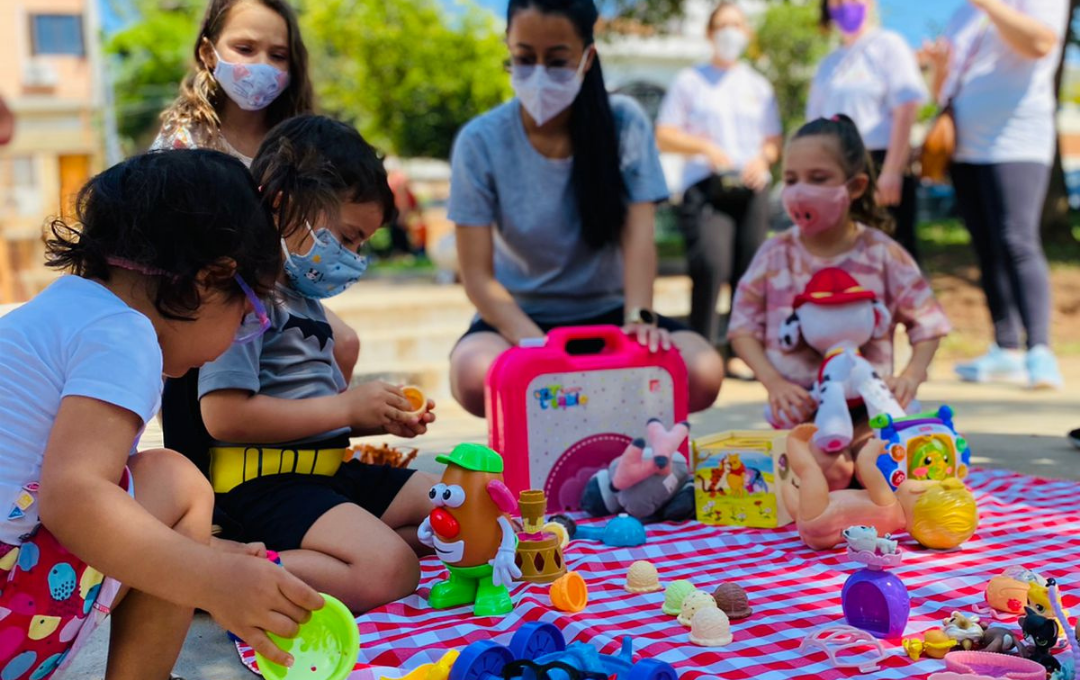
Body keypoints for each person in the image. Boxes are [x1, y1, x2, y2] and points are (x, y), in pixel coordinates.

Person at [0, 149, 323, 677]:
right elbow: (75, 497)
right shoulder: (124, 334)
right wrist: (207, 579)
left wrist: (205, 561)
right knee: (177, 480)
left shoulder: (56, 311)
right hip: (12, 617)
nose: (232, 343)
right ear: (206, 281)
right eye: (247, 316)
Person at [172, 115, 436, 614]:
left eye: (362, 245)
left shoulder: (304, 300)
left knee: (460, 507)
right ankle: (216, 570)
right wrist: (346, 409)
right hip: (268, 484)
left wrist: (378, 415)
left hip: (328, 475)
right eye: (349, 237)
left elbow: (322, 412)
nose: (355, 258)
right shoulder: (245, 301)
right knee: (393, 571)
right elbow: (222, 415)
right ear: (281, 204)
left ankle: (334, 551)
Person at [449, 0, 725, 417]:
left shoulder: (625, 122)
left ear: (586, 57)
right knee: (474, 376)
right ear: (508, 49)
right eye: (524, 58)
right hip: (519, 323)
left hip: (613, 316)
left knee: (702, 370)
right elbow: (477, 277)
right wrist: (535, 347)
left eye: (557, 60)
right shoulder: (480, 141)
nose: (539, 73)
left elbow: (639, 239)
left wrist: (639, 319)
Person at [728, 116, 950, 477]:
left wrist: (911, 376)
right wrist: (774, 383)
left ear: (856, 186)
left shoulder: (881, 253)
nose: (800, 190)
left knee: (881, 466)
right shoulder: (774, 254)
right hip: (803, 412)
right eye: (791, 179)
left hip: (871, 406)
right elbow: (741, 329)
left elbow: (929, 322)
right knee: (831, 473)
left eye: (818, 179)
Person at [153, 0, 360, 381]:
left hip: (280, 289)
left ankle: (314, 430)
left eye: (278, 55)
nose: (262, 65)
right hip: (207, 292)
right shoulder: (184, 141)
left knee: (344, 344)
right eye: (245, 49)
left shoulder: (301, 145)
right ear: (207, 52)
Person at [922, 0, 1068, 389]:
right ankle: (1005, 347)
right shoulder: (962, 14)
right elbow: (942, 90)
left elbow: (1039, 44)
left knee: (1017, 239)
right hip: (966, 146)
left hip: (1017, 140)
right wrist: (939, 66)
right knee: (986, 245)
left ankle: (1040, 349)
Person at [655, 1, 783, 371]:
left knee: (750, 271)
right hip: (706, 187)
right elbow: (665, 135)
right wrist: (705, 147)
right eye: (722, 25)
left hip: (750, 187)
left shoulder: (758, 85)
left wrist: (763, 159)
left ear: (746, 33)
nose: (730, 32)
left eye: (737, 25)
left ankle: (743, 354)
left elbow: (772, 139)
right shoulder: (690, 81)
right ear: (710, 33)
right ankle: (700, 353)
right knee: (710, 264)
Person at [808, 0, 928, 261]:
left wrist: (892, 172)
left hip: (879, 166)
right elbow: (814, 128)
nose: (845, 6)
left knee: (893, 259)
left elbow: (906, 109)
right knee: (847, 260)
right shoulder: (828, 65)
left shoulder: (888, 45)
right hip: (837, 171)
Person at [783, 425, 978, 551]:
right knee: (796, 500)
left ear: (918, 491)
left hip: (820, 514)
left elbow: (865, 465)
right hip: (821, 539)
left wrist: (873, 448)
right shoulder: (891, 529)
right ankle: (789, 494)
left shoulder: (888, 501)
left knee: (811, 472)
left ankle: (795, 442)